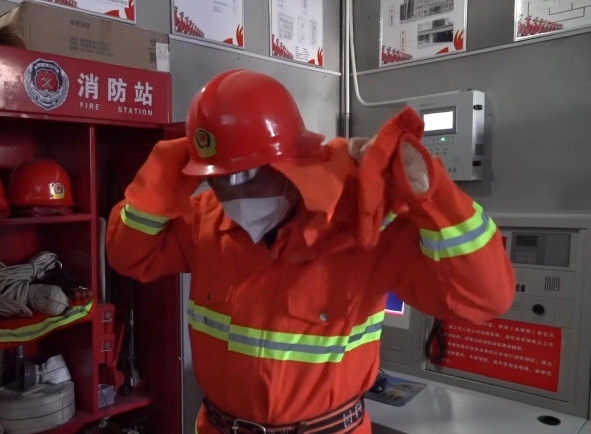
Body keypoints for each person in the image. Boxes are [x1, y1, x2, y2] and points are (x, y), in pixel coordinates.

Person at [106, 69, 515, 434]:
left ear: (288, 162)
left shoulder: (363, 225)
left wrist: (431, 194)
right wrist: (165, 173)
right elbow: (128, 255)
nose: (229, 192)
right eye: (216, 178)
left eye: (244, 175)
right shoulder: (204, 218)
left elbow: (485, 298)